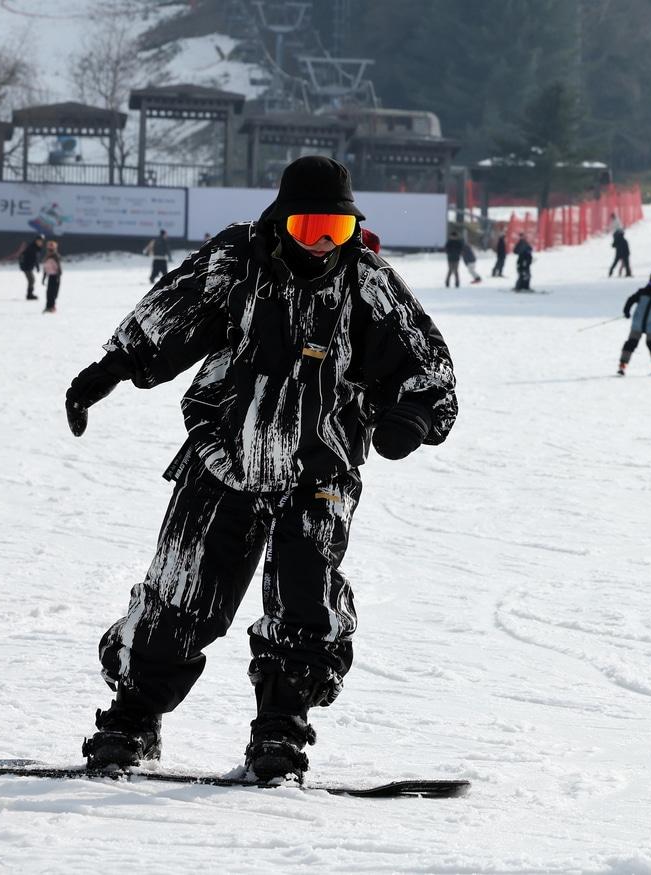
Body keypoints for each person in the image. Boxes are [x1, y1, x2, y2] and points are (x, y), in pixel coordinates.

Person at [62, 156, 457, 783]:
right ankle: (132, 718)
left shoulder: (367, 282)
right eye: (308, 228)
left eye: (338, 230)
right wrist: (104, 374)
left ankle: (280, 729)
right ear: (281, 222)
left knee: (307, 601)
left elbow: (424, 363)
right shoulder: (238, 263)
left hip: (320, 467)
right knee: (181, 592)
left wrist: (410, 418)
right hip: (226, 455)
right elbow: (170, 314)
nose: (323, 244)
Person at [19, 235, 44, 300]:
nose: (40, 243)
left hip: (28, 266)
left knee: (32, 280)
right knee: (31, 280)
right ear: (36, 241)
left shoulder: (36, 248)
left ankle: (30, 294)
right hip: (26, 266)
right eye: (38, 241)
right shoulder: (32, 248)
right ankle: (29, 295)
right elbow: (34, 258)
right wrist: (37, 266)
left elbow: (35, 258)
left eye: (41, 241)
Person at [41, 241, 62, 313]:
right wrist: (44, 277)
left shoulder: (56, 257)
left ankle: (52, 307)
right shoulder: (46, 258)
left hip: (55, 276)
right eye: (49, 250)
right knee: (48, 293)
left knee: (53, 293)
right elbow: (45, 268)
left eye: (52, 250)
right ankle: (48, 306)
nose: (50, 251)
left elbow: (59, 268)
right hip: (50, 276)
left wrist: (58, 277)